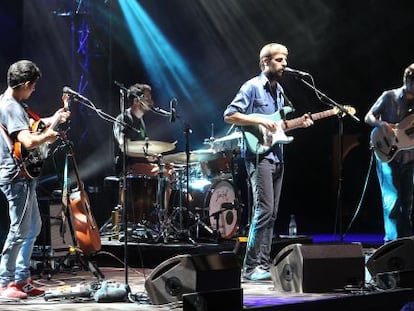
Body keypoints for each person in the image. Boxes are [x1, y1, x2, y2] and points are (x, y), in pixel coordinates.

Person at [223, 43, 313, 281]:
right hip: (258, 156)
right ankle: (250, 267)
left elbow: (279, 125)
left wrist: (298, 123)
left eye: (285, 59)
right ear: (265, 62)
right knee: (263, 211)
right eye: (279, 60)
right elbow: (229, 114)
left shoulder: (279, 91)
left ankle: (262, 263)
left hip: (277, 155)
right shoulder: (252, 87)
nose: (285, 64)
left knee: (272, 213)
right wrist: (260, 121)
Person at [0, 60, 71, 298]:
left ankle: (21, 279)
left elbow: (34, 128)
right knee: (20, 229)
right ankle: (5, 281)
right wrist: (47, 138)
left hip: (23, 174)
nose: (34, 91)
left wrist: (55, 118)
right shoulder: (10, 106)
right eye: (33, 87)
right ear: (26, 84)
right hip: (15, 175)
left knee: (33, 227)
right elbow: (29, 141)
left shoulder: (17, 105)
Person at [365, 63, 414, 242]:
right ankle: (392, 244)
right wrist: (381, 124)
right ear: (408, 80)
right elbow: (368, 116)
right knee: (392, 200)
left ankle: (407, 243)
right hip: (387, 154)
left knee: (408, 202)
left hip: (410, 156)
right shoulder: (389, 96)